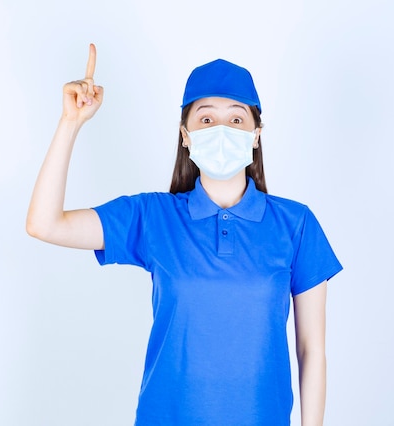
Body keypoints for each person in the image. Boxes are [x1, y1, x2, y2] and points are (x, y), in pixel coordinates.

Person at [26, 43, 342, 426]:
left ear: (256, 134)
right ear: (186, 135)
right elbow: (45, 224)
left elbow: (312, 349)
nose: (222, 130)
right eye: (206, 120)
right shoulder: (153, 216)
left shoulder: (296, 224)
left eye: (237, 119)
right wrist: (70, 123)